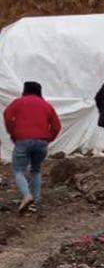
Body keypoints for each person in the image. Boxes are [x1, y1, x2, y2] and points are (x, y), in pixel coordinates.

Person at [3, 82, 61, 212]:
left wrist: (12, 132)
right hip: (41, 142)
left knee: (18, 170)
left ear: (25, 90)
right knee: (36, 170)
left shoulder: (18, 102)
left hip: (23, 140)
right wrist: (48, 139)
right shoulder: (46, 105)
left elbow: (7, 115)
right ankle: (36, 200)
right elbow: (57, 126)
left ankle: (27, 196)